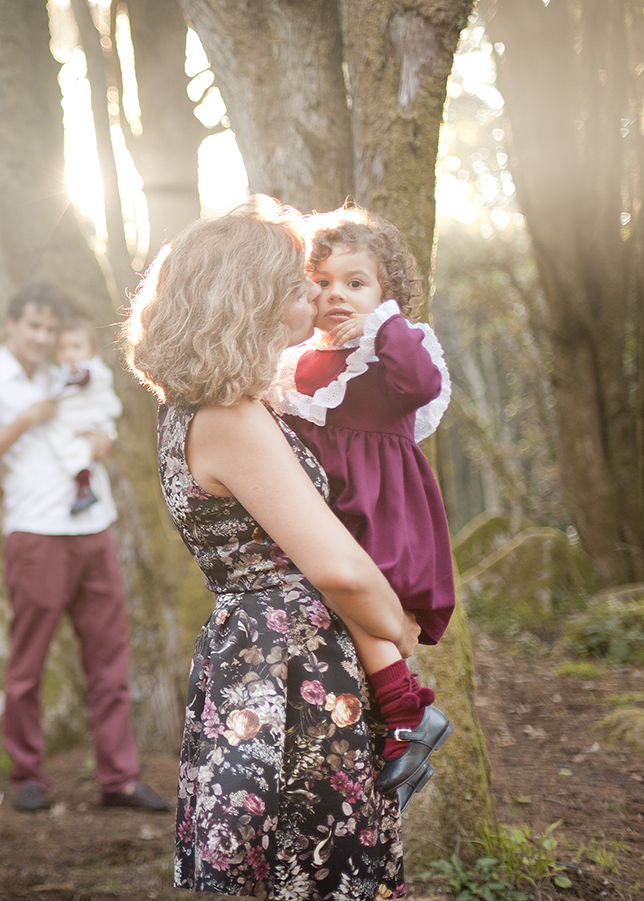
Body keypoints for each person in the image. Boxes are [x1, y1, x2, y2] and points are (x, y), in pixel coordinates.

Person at [124, 198, 420, 900]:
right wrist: (398, 631)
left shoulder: (207, 407)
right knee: (311, 866)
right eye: (299, 285)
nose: (316, 297)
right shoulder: (228, 415)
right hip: (290, 667)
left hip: (263, 656)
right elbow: (339, 567)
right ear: (251, 299)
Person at [0, 280, 169, 813]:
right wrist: (24, 420)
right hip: (36, 533)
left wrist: (106, 438)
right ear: (12, 324)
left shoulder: (69, 371)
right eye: (34, 326)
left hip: (94, 527)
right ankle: (29, 775)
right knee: (29, 664)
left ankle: (119, 779)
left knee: (110, 663)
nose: (43, 337)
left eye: (51, 329)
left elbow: (104, 416)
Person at [270, 206, 455, 802]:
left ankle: (408, 716)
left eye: (356, 283)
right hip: (323, 508)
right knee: (336, 611)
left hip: (382, 505)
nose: (336, 296)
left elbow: (419, 387)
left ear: (385, 293)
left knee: (359, 596)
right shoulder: (295, 365)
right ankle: (395, 728)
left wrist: (384, 327)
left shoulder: (393, 347)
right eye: (320, 283)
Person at [45, 314, 123, 515]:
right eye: (63, 348)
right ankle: (82, 486)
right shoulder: (60, 373)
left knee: (75, 450)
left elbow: (83, 380)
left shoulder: (92, 369)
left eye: (76, 347)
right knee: (62, 443)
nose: (69, 354)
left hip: (90, 420)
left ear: (93, 352)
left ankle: (84, 488)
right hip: (75, 424)